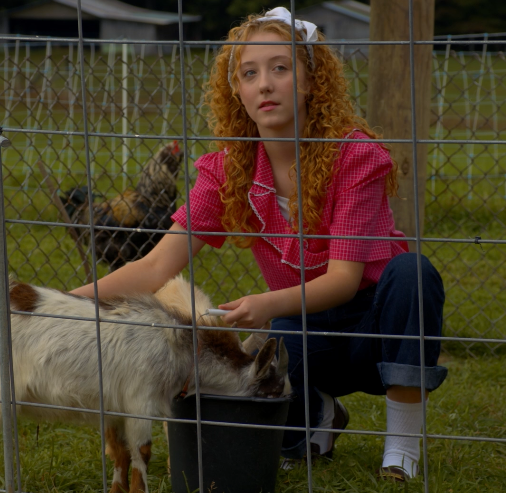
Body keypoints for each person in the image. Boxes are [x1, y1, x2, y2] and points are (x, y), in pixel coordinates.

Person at [71, 6, 446, 482]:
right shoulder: (229, 169)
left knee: (413, 273)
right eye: (250, 73)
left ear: (311, 80)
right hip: (302, 324)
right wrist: (62, 304)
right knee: (261, 388)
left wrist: (264, 305)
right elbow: (155, 266)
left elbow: (344, 280)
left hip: (375, 324)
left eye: (280, 68)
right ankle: (319, 417)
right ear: (237, 91)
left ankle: (401, 448)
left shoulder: (355, 155)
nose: (265, 84)